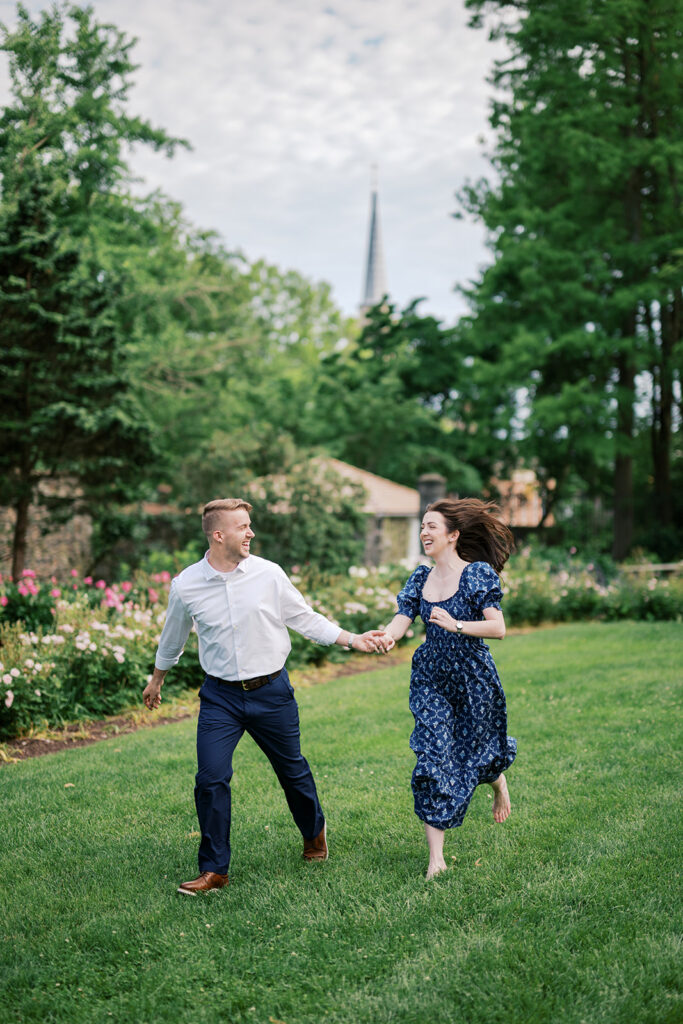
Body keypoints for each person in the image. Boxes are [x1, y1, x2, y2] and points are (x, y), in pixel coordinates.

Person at [143, 497, 389, 895]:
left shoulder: (268, 574)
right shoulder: (186, 584)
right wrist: (157, 679)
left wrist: (352, 640)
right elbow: (173, 637)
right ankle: (215, 870)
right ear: (219, 534)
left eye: (250, 525)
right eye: (243, 527)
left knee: (292, 771)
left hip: (271, 692)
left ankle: (313, 833)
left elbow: (304, 618)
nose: (251, 532)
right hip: (220, 697)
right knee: (210, 779)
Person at [379, 498, 517, 879]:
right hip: (430, 679)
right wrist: (387, 638)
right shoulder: (420, 578)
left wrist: (455, 624)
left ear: (453, 535)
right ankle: (436, 859)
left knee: (476, 752)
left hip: (472, 677)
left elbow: (498, 628)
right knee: (433, 756)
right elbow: (401, 618)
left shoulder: (477, 575)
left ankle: (497, 781)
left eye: (432, 526)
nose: (424, 532)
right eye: (422, 526)